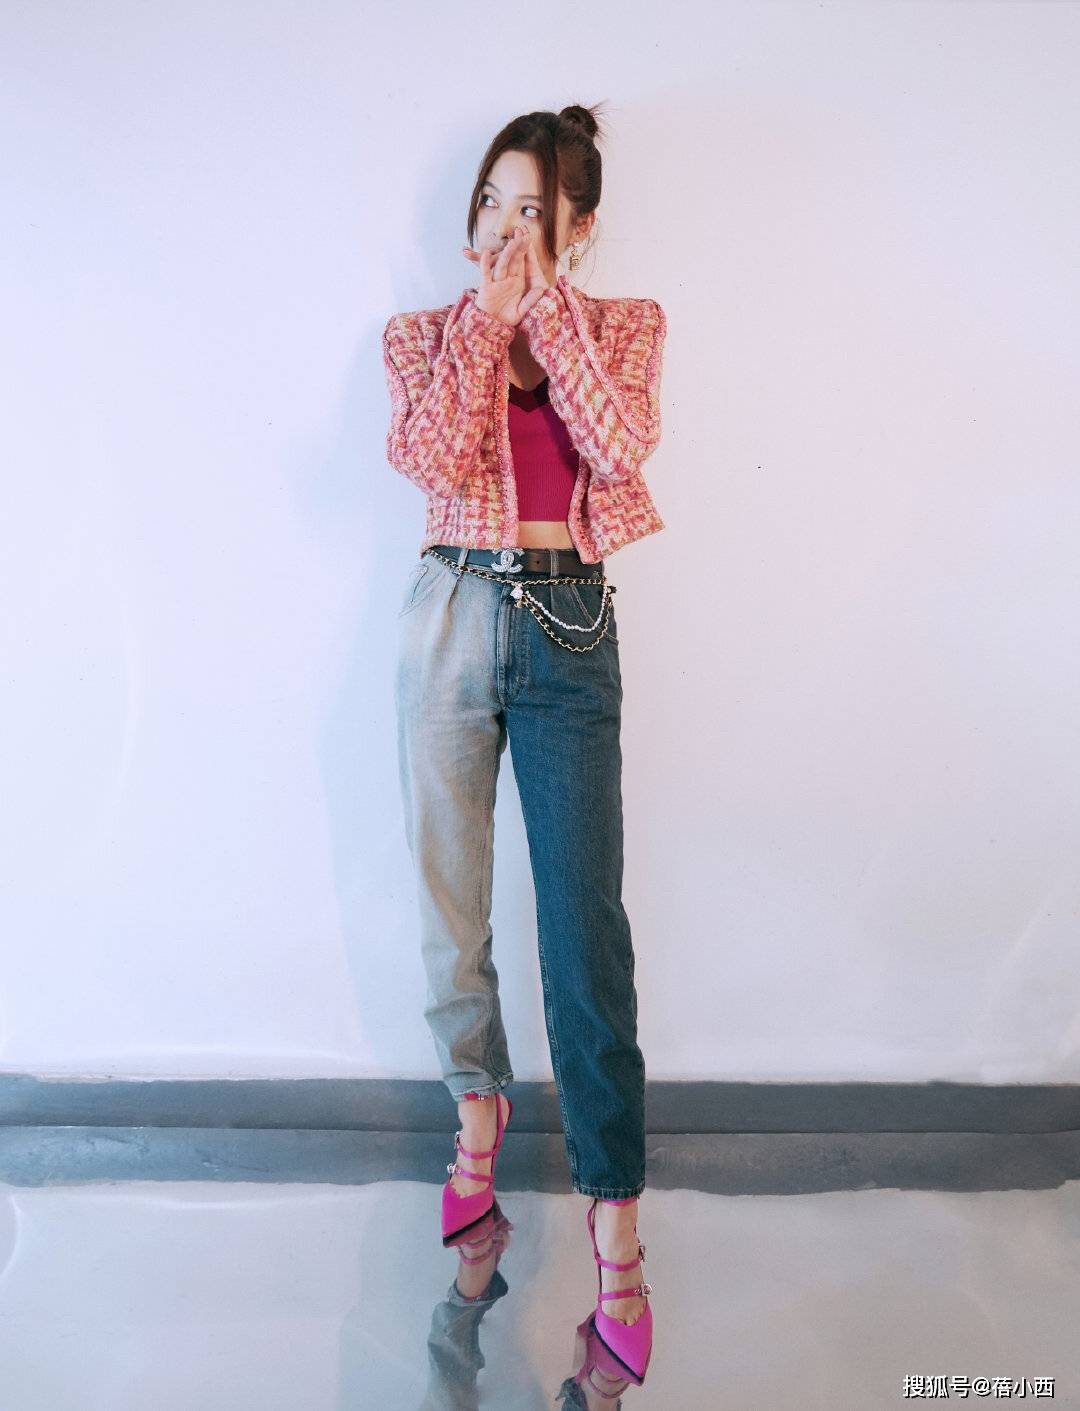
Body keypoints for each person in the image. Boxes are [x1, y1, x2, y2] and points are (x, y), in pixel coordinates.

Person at [383, 103, 665, 1383]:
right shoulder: (424, 335)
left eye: (532, 210)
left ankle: (617, 1231)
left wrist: (544, 311)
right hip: (451, 609)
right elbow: (431, 459)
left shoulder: (625, 327)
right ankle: (478, 1111)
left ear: (578, 228)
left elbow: (621, 443)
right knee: (452, 903)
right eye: (492, 201)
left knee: (584, 930)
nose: (503, 227)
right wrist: (489, 323)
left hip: (571, 624)